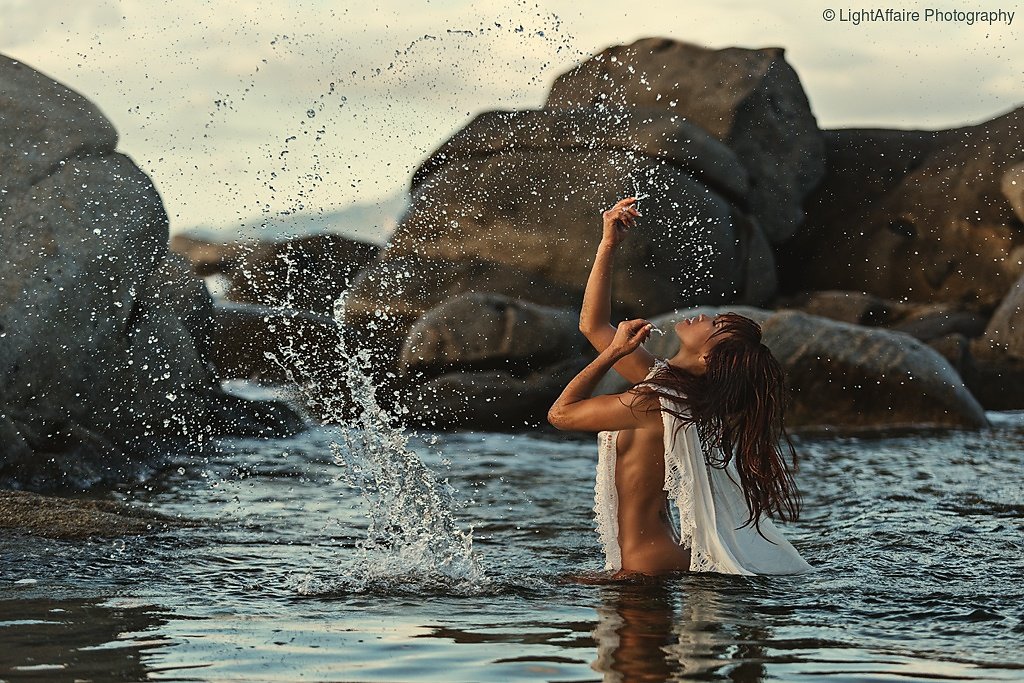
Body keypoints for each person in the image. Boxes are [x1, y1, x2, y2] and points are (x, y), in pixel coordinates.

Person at [547, 197, 811, 577]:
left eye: (716, 327)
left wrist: (613, 355)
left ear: (708, 360)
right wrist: (608, 245)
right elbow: (593, 326)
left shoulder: (655, 400)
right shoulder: (672, 388)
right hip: (650, 558)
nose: (706, 316)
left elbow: (560, 415)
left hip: (643, 566)